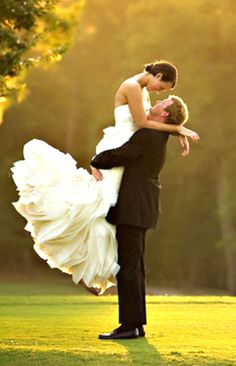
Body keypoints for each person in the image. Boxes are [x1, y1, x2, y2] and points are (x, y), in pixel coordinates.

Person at [11, 60, 199, 294]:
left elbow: (149, 125)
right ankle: (82, 266)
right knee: (101, 203)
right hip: (119, 148)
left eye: (162, 93)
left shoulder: (142, 91)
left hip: (128, 150)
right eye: (161, 88)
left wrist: (175, 129)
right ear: (158, 75)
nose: (158, 93)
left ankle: (89, 269)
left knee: (109, 208)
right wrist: (176, 129)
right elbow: (142, 123)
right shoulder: (131, 86)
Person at [90, 96, 192, 340]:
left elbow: (120, 155)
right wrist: (178, 129)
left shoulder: (149, 136)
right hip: (140, 208)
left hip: (134, 208)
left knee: (129, 268)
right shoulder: (158, 134)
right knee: (133, 267)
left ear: (165, 114)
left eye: (163, 102)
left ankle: (129, 326)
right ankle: (135, 325)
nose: (157, 102)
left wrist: (95, 160)